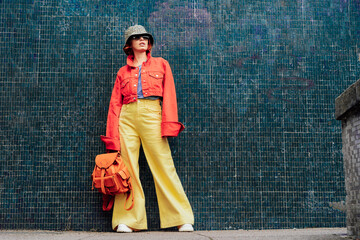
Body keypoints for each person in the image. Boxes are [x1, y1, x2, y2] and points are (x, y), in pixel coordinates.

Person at [100, 25, 194, 233]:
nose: (142, 40)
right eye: (136, 37)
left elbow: (169, 95)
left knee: (164, 165)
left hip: (153, 114)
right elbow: (115, 105)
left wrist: (168, 124)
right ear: (129, 44)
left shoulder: (162, 64)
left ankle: (181, 217)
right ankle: (128, 220)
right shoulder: (122, 72)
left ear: (149, 42)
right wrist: (112, 136)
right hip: (127, 117)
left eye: (145, 37)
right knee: (127, 169)